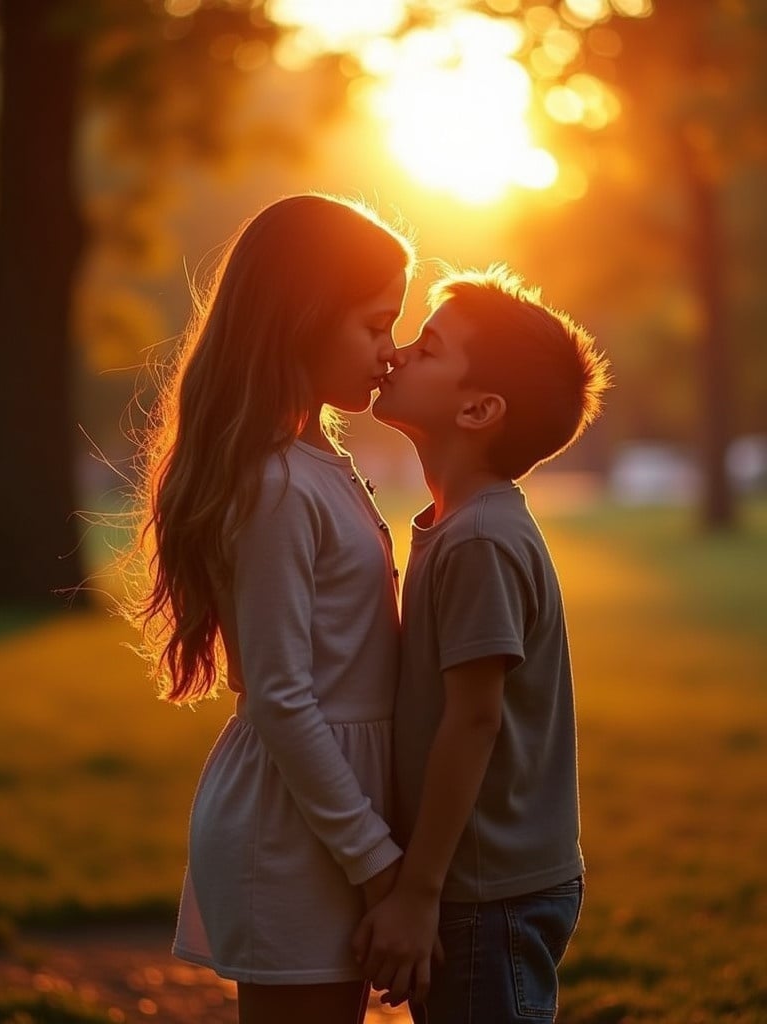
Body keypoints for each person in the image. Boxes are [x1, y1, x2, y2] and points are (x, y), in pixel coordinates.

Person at [125, 193, 416, 1024]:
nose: (389, 353)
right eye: (374, 325)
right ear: (304, 317)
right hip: (299, 829)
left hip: (338, 814)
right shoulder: (277, 483)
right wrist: (378, 863)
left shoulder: (320, 458)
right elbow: (283, 697)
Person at [353, 264, 611, 1023]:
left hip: (484, 891)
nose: (397, 354)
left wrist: (419, 894)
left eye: (427, 349)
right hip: (486, 882)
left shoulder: (479, 542)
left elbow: (474, 720)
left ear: (478, 409)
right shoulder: (462, 527)